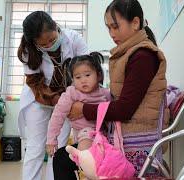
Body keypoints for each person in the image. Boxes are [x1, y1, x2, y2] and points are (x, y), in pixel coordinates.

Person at [52, 0, 168, 178]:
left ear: (135, 23)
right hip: (124, 132)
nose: (111, 33)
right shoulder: (131, 54)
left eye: (115, 27)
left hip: (133, 142)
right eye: (108, 28)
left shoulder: (142, 57)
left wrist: (82, 108)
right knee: (64, 155)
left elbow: (124, 109)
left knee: (62, 158)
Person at [17, 11, 88, 180]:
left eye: (52, 39)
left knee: (57, 147)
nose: (50, 45)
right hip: (38, 99)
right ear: (34, 42)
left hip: (67, 99)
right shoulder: (28, 50)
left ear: (55, 26)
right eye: (44, 44)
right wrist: (60, 101)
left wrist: (70, 102)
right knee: (35, 147)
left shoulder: (74, 40)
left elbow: (87, 70)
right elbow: (35, 83)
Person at [46, 52, 111, 158]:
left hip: (103, 134)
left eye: (87, 75)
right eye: (78, 77)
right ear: (73, 79)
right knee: (86, 156)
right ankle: (83, 168)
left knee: (104, 157)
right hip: (83, 133)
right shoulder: (72, 93)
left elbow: (113, 112)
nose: (83, 80)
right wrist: (51, 140)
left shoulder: (105, 93)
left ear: (99, 75)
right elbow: (58, 116)